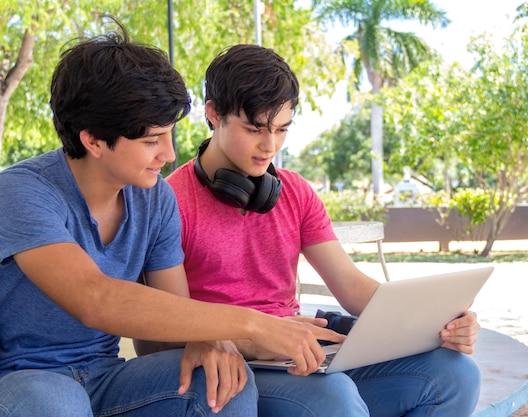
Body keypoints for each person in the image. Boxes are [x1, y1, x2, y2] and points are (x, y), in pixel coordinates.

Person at [0, 19, 345, 417]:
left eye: (169, 135)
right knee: (57, 406)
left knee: (224, 380)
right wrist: (253, 324)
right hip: (26, 377)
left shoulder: (155, 198)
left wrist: (206, 339)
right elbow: (94, 298)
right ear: (92, 139)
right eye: (151, 141)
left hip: (107, 375)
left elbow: (174, 314)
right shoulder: (21, 192)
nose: (168, 154)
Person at [164, 43, 482, 417]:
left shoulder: (295, 192)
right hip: (234, 364)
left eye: (282, 129)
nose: (270, 146)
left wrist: (439, 320)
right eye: (254, 129)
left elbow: (352, 287)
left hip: (297, 353)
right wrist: (256, 337)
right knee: (334, 398)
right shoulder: (170, 200)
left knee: (455, 375)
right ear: (214, 114)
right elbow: (164, 327)